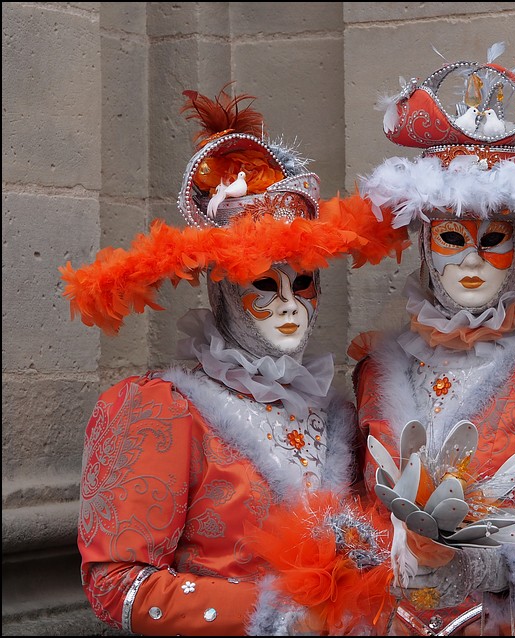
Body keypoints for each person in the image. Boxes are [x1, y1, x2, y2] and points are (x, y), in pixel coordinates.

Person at [62, 85, 407, 635]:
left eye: (305, 282)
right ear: (221, 290)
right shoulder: (162, 410)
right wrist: (274, 617)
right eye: (265, 284)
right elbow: (115, 581)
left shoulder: (337, 417)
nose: (290, 304)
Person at [351, 44, 515, 635]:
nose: (472, 257)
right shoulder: (377, 370)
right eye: (451, 237)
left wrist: (485, 567)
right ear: (424, 244)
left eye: (494, 237)